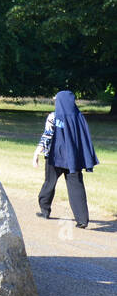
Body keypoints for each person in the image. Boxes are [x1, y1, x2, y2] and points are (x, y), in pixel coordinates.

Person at [33, 90, 99, 229]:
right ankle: (82, 220)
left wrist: (37, 153)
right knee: (76, 187)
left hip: (54, 157)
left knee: (49, 183)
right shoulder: (78, 117)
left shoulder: (53, 116)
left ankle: (45, 210)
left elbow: (47, 135)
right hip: (72, 159)